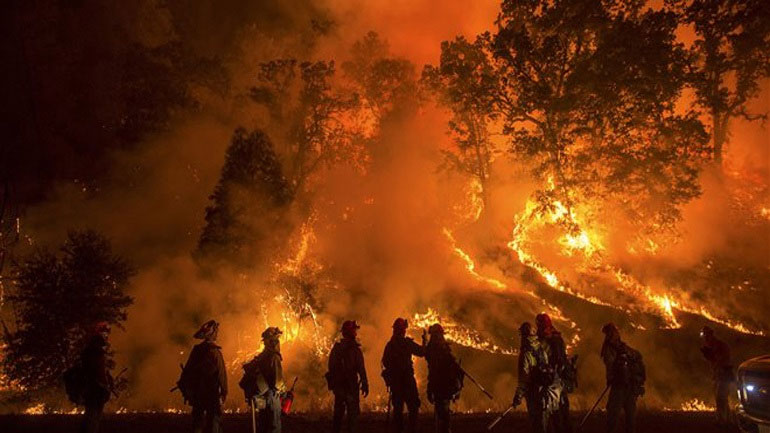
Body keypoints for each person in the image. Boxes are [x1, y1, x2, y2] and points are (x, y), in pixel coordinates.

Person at [178, 320, 228, 433]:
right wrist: (224, 392)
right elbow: (222, 375)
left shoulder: (196, 350)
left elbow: (187, 370)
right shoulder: (215, 352)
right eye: (216, 331)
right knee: (213, 423)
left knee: (197, 424)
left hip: (198, 395)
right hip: (212, 395)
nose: (217, 334)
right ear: (212, 334)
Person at [513, 322, 559, 433]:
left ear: (523, 335)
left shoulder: (525, 353)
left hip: (534, 394)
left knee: (537, 425)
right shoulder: (540, 348)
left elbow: (524, 377)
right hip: (546, 393)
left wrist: (518, 396)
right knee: (546, 424)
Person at [381, 318, 426, 433]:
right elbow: (421, 352)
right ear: (403, 330)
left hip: (396, 383)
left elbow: (384, 362)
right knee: (413, 406)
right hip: (407, 381)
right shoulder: (406, 343)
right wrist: (424, 341)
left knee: (398, 410)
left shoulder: (390, 345)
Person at [601, 323, 645, 433]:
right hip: (629, 386)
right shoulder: (623, 347)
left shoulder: (611, 348)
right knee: (629, 419)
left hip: (620, 387)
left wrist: (610, 378)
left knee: (613, 416)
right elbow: (638, 355)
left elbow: (609, 365)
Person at [327, 320, 369, 433]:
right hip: (350, 387)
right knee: (352, 416)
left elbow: (330, 367)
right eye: (354, 330)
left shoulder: (336, 349)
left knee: (338, 416)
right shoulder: (355, 350)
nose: (356, 332)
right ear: (351, 332)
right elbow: (361, 369)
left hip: (339, 387)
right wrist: (365, 383)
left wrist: (335, 384)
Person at [536, 313, 573, 433]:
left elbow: (558, 359)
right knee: (557, 410)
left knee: (555, 411)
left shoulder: (553, 340)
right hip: (553, 379)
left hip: (554, 379)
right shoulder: (556, 338)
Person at [425, 323, 463, 433]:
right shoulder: (439, 350)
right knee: (442, 413)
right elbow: (433, 370)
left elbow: (448, 370)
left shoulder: (441, 350)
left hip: (442, 386)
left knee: (442, 414)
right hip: (441, 386)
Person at [79, 322, 114, 433]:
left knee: (90, 414)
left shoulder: (86, 353)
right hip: (96, 389)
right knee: (93, 416)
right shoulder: (97, 354)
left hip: (88, 388)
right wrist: (106, 386)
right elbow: (100, 373)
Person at [700, 325, 734, 426]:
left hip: (725, 374)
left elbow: (723, 360)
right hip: (718, 375)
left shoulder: (720, 345)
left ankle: (723, 420)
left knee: (720, 397)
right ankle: (727, 419)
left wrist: (713, 358)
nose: (705, 338)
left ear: (710, 334)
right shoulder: (711, 346)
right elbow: (713, 362)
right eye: (704, 335)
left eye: (706, 335)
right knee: (721, 398)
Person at [253, 327, 285, 433]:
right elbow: (278, 381)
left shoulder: (262, 356)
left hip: (260, 396)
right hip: (271, 396)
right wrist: (283, 392)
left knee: (263, 423)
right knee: (273, 425)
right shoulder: (274, 357)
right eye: (277, 339)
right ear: (273, 341)